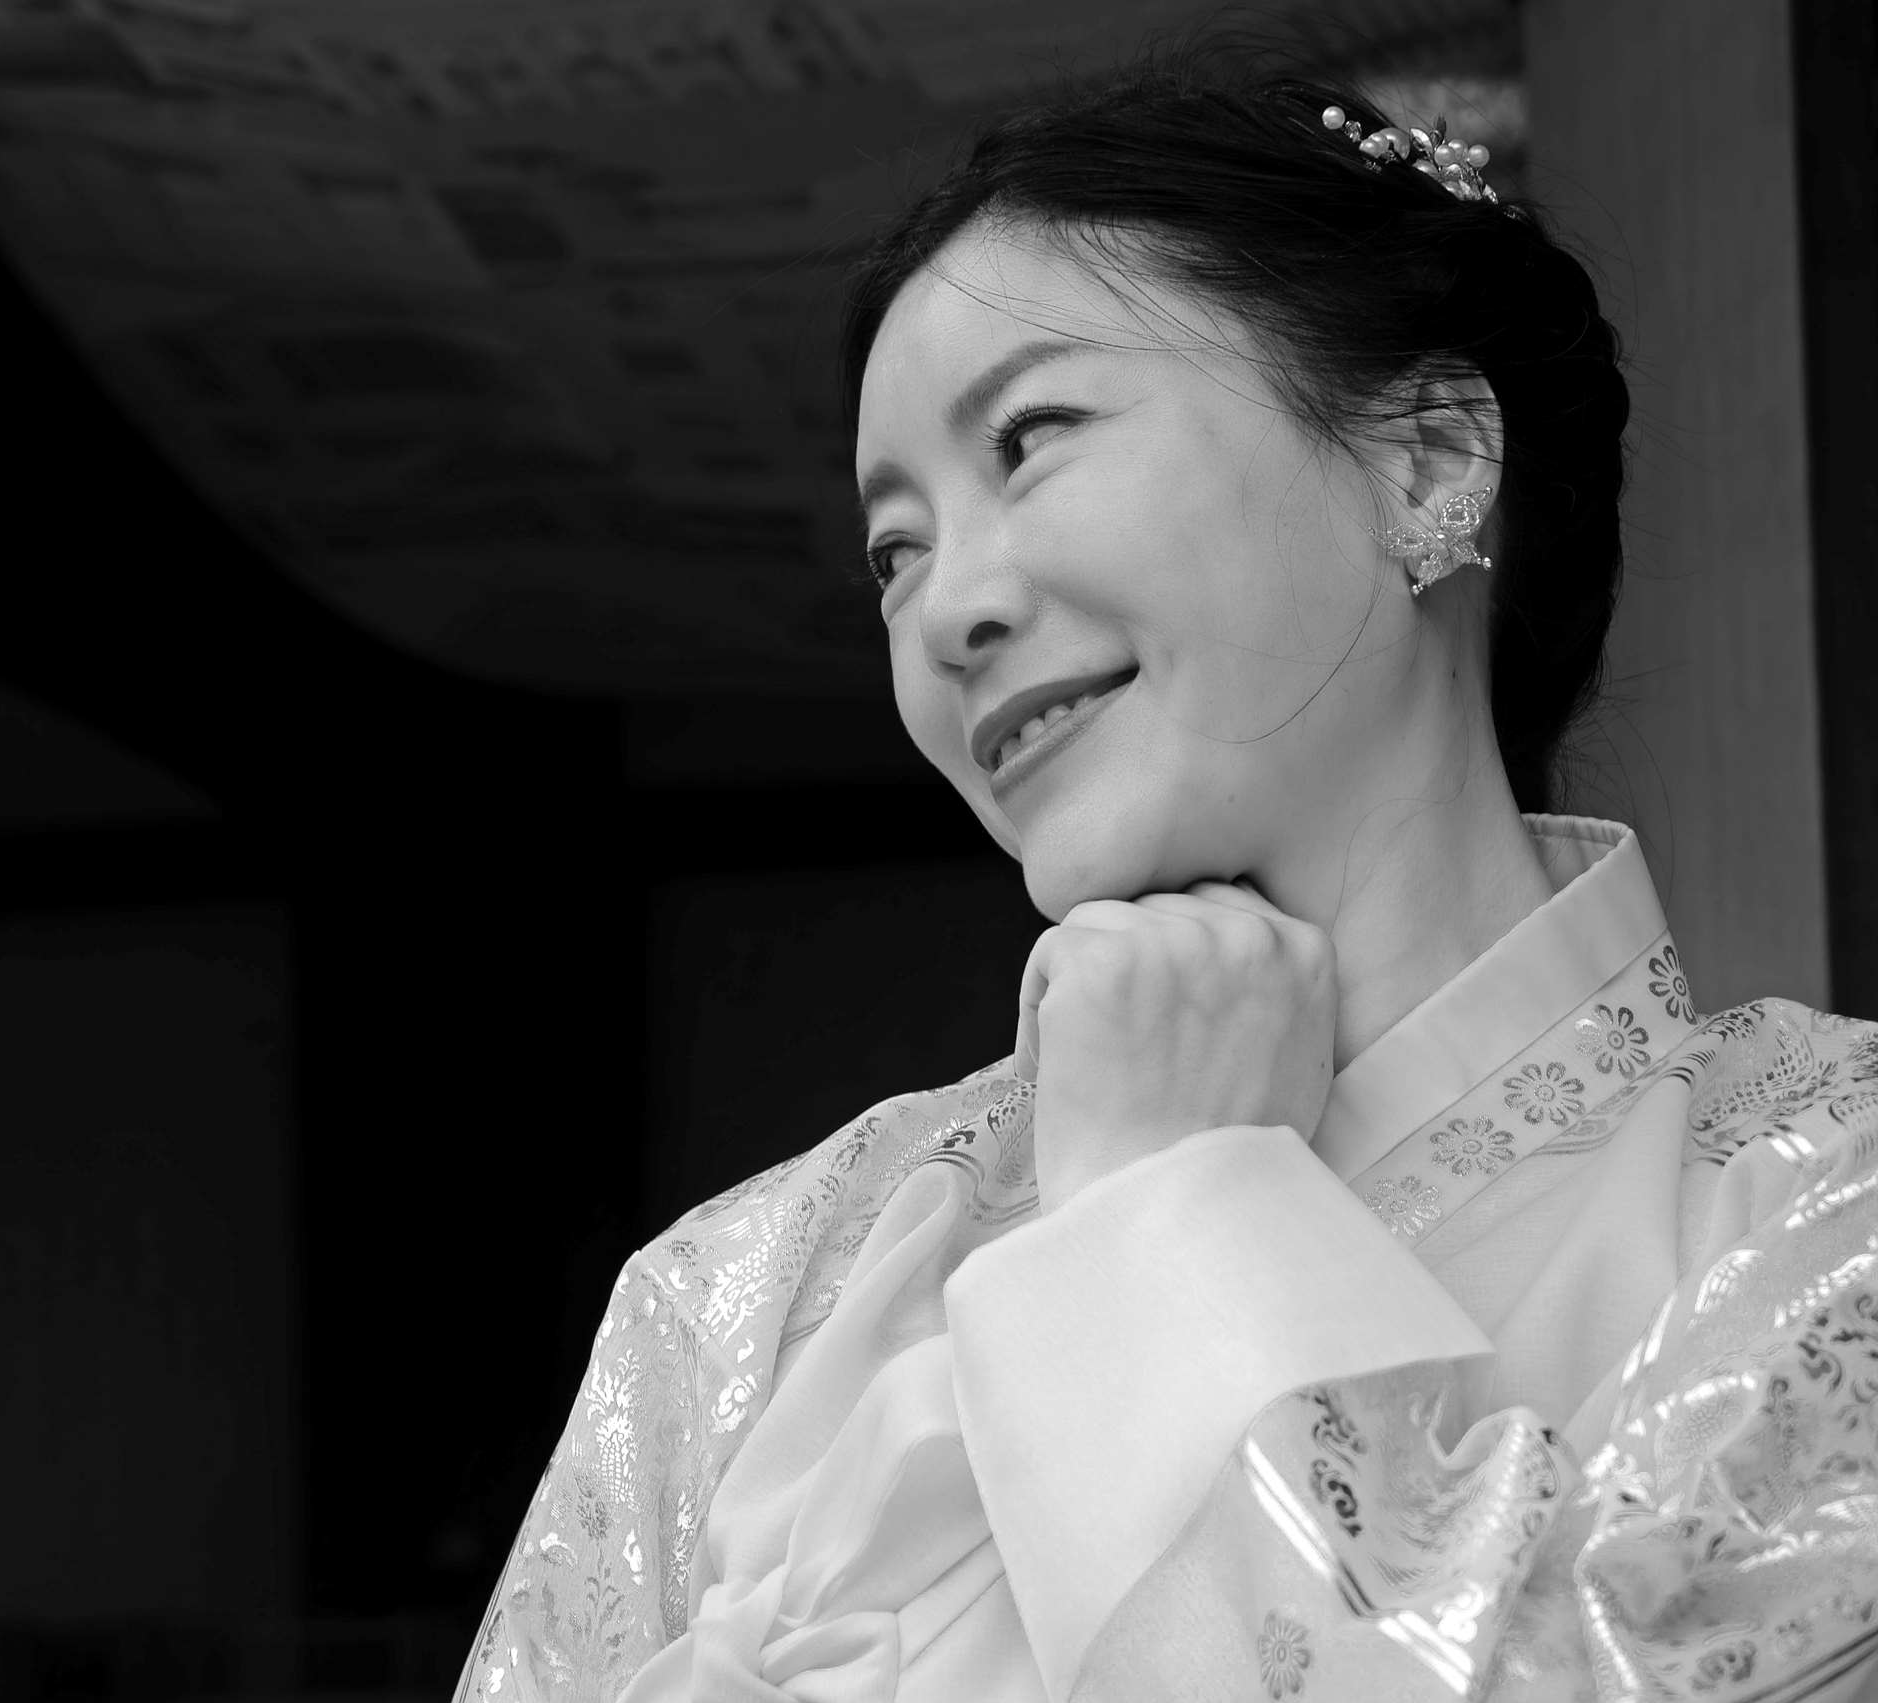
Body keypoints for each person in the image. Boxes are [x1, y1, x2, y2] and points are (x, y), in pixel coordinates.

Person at [453, 37, 1878, 1703]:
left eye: (1032, 437)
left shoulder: (1827, 1209)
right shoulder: (752, 1290)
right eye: (894, 550)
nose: (946, 611)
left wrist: (1160, 1210)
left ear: (1429, 458)